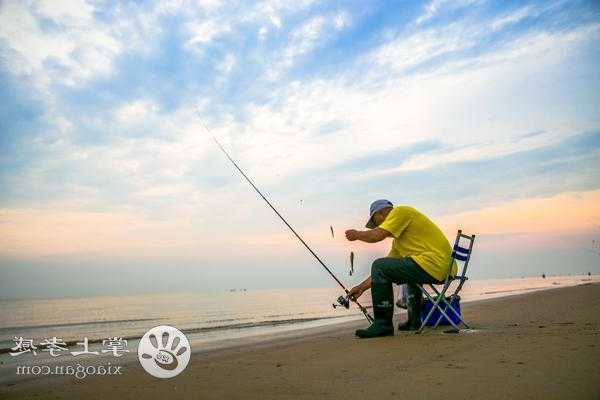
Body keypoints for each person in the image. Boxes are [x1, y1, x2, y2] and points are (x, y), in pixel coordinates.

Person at [345, 199, 457, 338]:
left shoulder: (400, 211)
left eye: (375, 223)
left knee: (378, 265)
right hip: (444, 268)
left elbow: (376, 237)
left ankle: (383, 324)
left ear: (380, 214)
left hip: (436, 264)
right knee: (391, 269)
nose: (377, 226)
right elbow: (384, 270)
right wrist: (361, 287)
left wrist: (357, 235)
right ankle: (414, 321)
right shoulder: (399, 242)